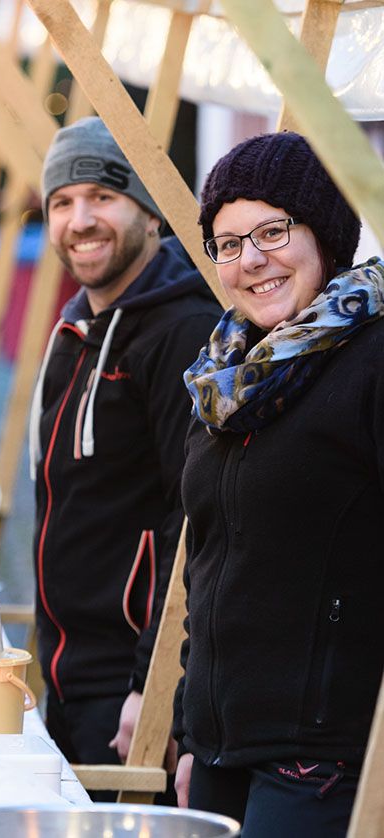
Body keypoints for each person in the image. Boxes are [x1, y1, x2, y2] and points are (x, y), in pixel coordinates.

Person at [173, 130, 384, 836]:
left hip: (323, 760)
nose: (250, 260)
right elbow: (205, 565)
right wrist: (185, 723)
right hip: (217, 749)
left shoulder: (373, 360)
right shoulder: (220, 381)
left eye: (271, 231)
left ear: (325, 235)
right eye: (227, 243)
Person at [29, 116, 222, 780]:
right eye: (62, 202)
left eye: (102, 197)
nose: (80, 219)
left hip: (129, 689)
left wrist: (157, 684)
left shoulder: (181, 329)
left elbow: (194, 519)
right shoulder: (79, 327)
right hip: (70, 672)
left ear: (150, 213)